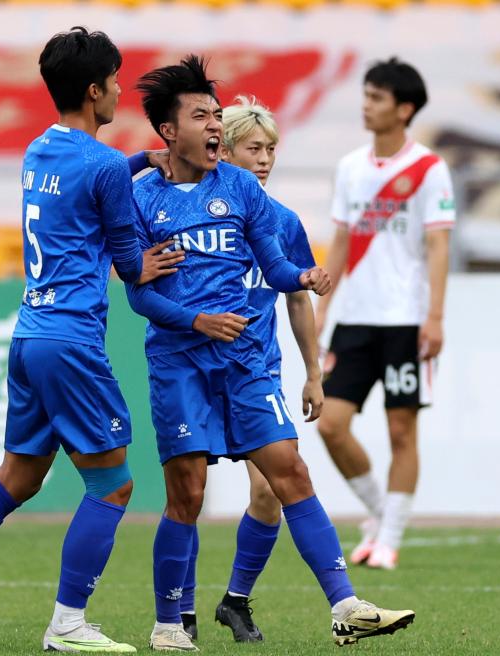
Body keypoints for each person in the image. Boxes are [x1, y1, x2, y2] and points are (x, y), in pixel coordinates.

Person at [0, 27, 181, 653]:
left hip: (29, 333)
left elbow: (90, 185)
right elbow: (130, 263)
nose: (121, 91)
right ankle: (68, 625)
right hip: (72, 340)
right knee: (113, 485)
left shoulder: (38, 150)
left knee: (19, 476)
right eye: (115, 81)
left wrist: (137, 162)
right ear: (94, 90)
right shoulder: (104, 164)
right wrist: (151, 261)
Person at [125, 55, 415, 650]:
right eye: (202, 116)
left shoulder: (244, 193)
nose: (213, 124)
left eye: (216, 115)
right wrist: (197, 320)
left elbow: (278, 268)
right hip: (180, 363)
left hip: (247, 364)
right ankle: (169, 623)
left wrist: (302, 277)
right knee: (188, 493)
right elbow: (139, 295)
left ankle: (346, 606)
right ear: (169, 131)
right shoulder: (141, 199)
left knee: (289, 472)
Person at [314, 57, 455, 571]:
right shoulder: (351, 167)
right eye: (366, 95)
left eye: (377, 97)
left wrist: (434, 317)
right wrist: (324, 309)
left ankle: (389, 541)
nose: (366, 105)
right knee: (331, 425)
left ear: (404, 109)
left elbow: (438, 246)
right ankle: (381, 513)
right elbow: (341, 243)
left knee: (401, 430)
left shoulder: (429, 169)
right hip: (355, 319)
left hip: (406, 321)